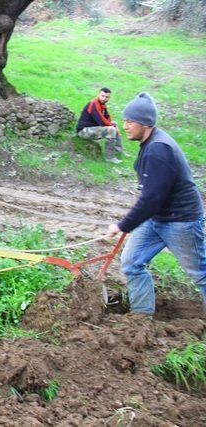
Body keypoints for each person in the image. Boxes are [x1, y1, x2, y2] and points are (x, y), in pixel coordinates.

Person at [107, 92, 206, 316]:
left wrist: (123, 225)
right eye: (124, 120)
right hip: (158, 218)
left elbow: (152, 198)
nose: (125, 126)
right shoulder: (149, 144)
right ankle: (141, 317)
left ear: (145, 123)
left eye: (130, 122)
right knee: (132, 263)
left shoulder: (158, 149)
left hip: (181, 221)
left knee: (200, 273)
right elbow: (150, 194)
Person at [76, 87, 125, 164]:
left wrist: (112, 124)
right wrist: (111, 126)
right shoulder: (94, 103)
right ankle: (110, 157)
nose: (104, 98)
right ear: (98, 94)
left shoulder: (102, 105)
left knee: (114, 124)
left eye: (107, 97)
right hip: (83, 131)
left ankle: (119, 150)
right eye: (102, 96)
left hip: (92, 128)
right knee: (111, 129)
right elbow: (101, 121)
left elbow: (107, 117)